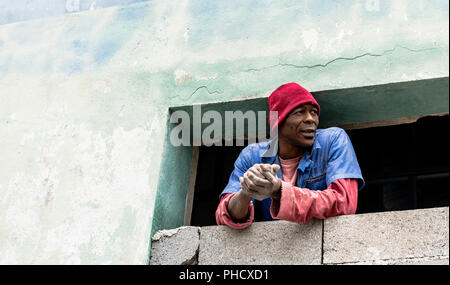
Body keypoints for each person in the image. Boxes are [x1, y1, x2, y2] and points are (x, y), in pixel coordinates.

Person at [215, 82, 365, 229]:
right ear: (278, 123)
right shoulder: (252, 156)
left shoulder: (333, 140)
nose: (311, 119)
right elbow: (225, 217)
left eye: (313, 112)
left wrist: (279, 191)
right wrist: (246, 191)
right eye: (299, 112)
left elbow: (345, 203)